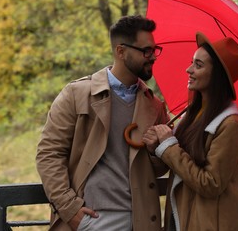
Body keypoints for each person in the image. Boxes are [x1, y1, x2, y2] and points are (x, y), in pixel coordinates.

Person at [36, 15, 169, 231]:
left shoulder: (154, 106)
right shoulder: (76, 94)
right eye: (146, 50)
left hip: (142, 220)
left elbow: (157, 169)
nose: (152, 56)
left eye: (154, 50)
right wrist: (70, 209)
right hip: (93, 219)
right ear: (121, 51)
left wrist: (157, 149)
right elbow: (49, 154)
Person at [143, 32, 238, 231]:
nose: (188, 69)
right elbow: (176, 165)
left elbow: (211, 184)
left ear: (217, 75)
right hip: (180, 218)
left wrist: (168, 146)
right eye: (191, 62)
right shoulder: (192, 116)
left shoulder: (230, 126)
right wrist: (155, 148)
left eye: (198, 65)